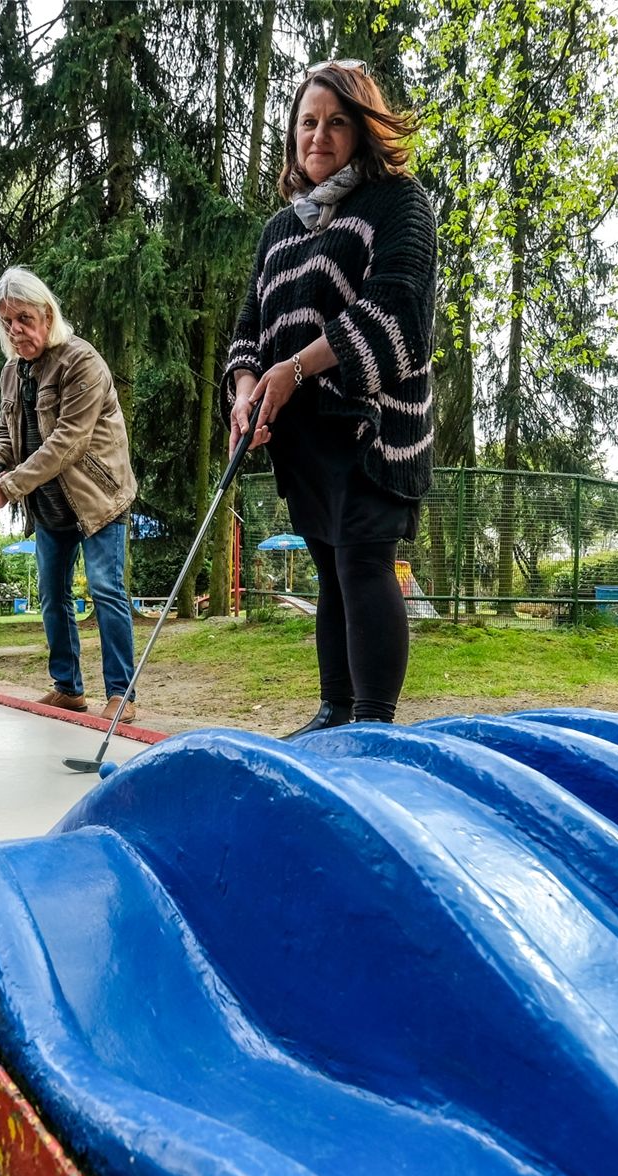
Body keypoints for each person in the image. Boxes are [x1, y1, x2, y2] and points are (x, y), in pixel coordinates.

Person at [225, 60, 436, 737]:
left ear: (364, 130)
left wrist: (294, 369)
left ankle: (372, 726)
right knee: (328, 568)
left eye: (336, 122)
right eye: (308, 122)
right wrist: (247, 390)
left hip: (371, 424)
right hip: (302, 433)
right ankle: (334, 712)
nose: (319, 135)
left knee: (362, 559)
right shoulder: (279, 230)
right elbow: (249, 328)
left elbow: (399, 310)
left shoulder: (398, 201)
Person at [0, 266, 141, 722]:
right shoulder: (12, 371)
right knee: (52, 595)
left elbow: (68, 440)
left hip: (97, 499)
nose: (16, 331)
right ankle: (68, 687)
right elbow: (5, 430)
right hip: (48, 504)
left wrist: (9, 485)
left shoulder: (81, 362)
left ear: (47, 315)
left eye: (24, 319)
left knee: (107, 590)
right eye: (7, 322)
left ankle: (121, 694)